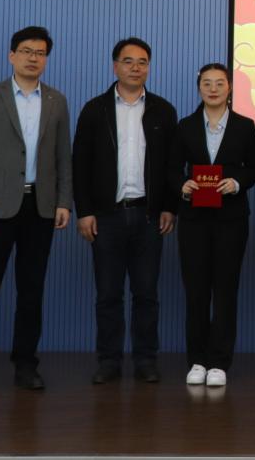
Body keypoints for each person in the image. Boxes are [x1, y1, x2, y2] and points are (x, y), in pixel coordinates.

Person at [0, 26, 72, 395]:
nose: (32, 58)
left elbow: (63, 157)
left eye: (40, 53)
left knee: (31, 290)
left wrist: (63, 201)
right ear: (12, 56)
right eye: (26, 51)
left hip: (40, 207)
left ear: (46, 59)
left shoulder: (56, 101)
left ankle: (26, 364)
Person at [72, 37, 178, 385]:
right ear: (115, 65)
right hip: (107, 216)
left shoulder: (163, 110)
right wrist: (84, 211)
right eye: (128, 61)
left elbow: (172, 166)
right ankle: (109, 360)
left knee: (146, 294)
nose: (136, 68)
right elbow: (80, 164)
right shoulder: (95, 109)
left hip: (149, 216)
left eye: (143, 62)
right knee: (108, 294)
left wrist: (169, 207)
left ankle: (146, 359)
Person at [170, 63, 255, 388]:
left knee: (225, 290)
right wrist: (182, 185)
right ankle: (197, 360)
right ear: (199, 88)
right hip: (193, 219)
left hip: (230, 220)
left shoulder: (245, 126)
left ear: (230, 87)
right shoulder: (185, 126)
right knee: (196, 291)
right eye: (207, 83)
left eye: (219, 83)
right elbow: (171, 169)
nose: (213, 89)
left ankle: (220, 361)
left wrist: (236, 183)